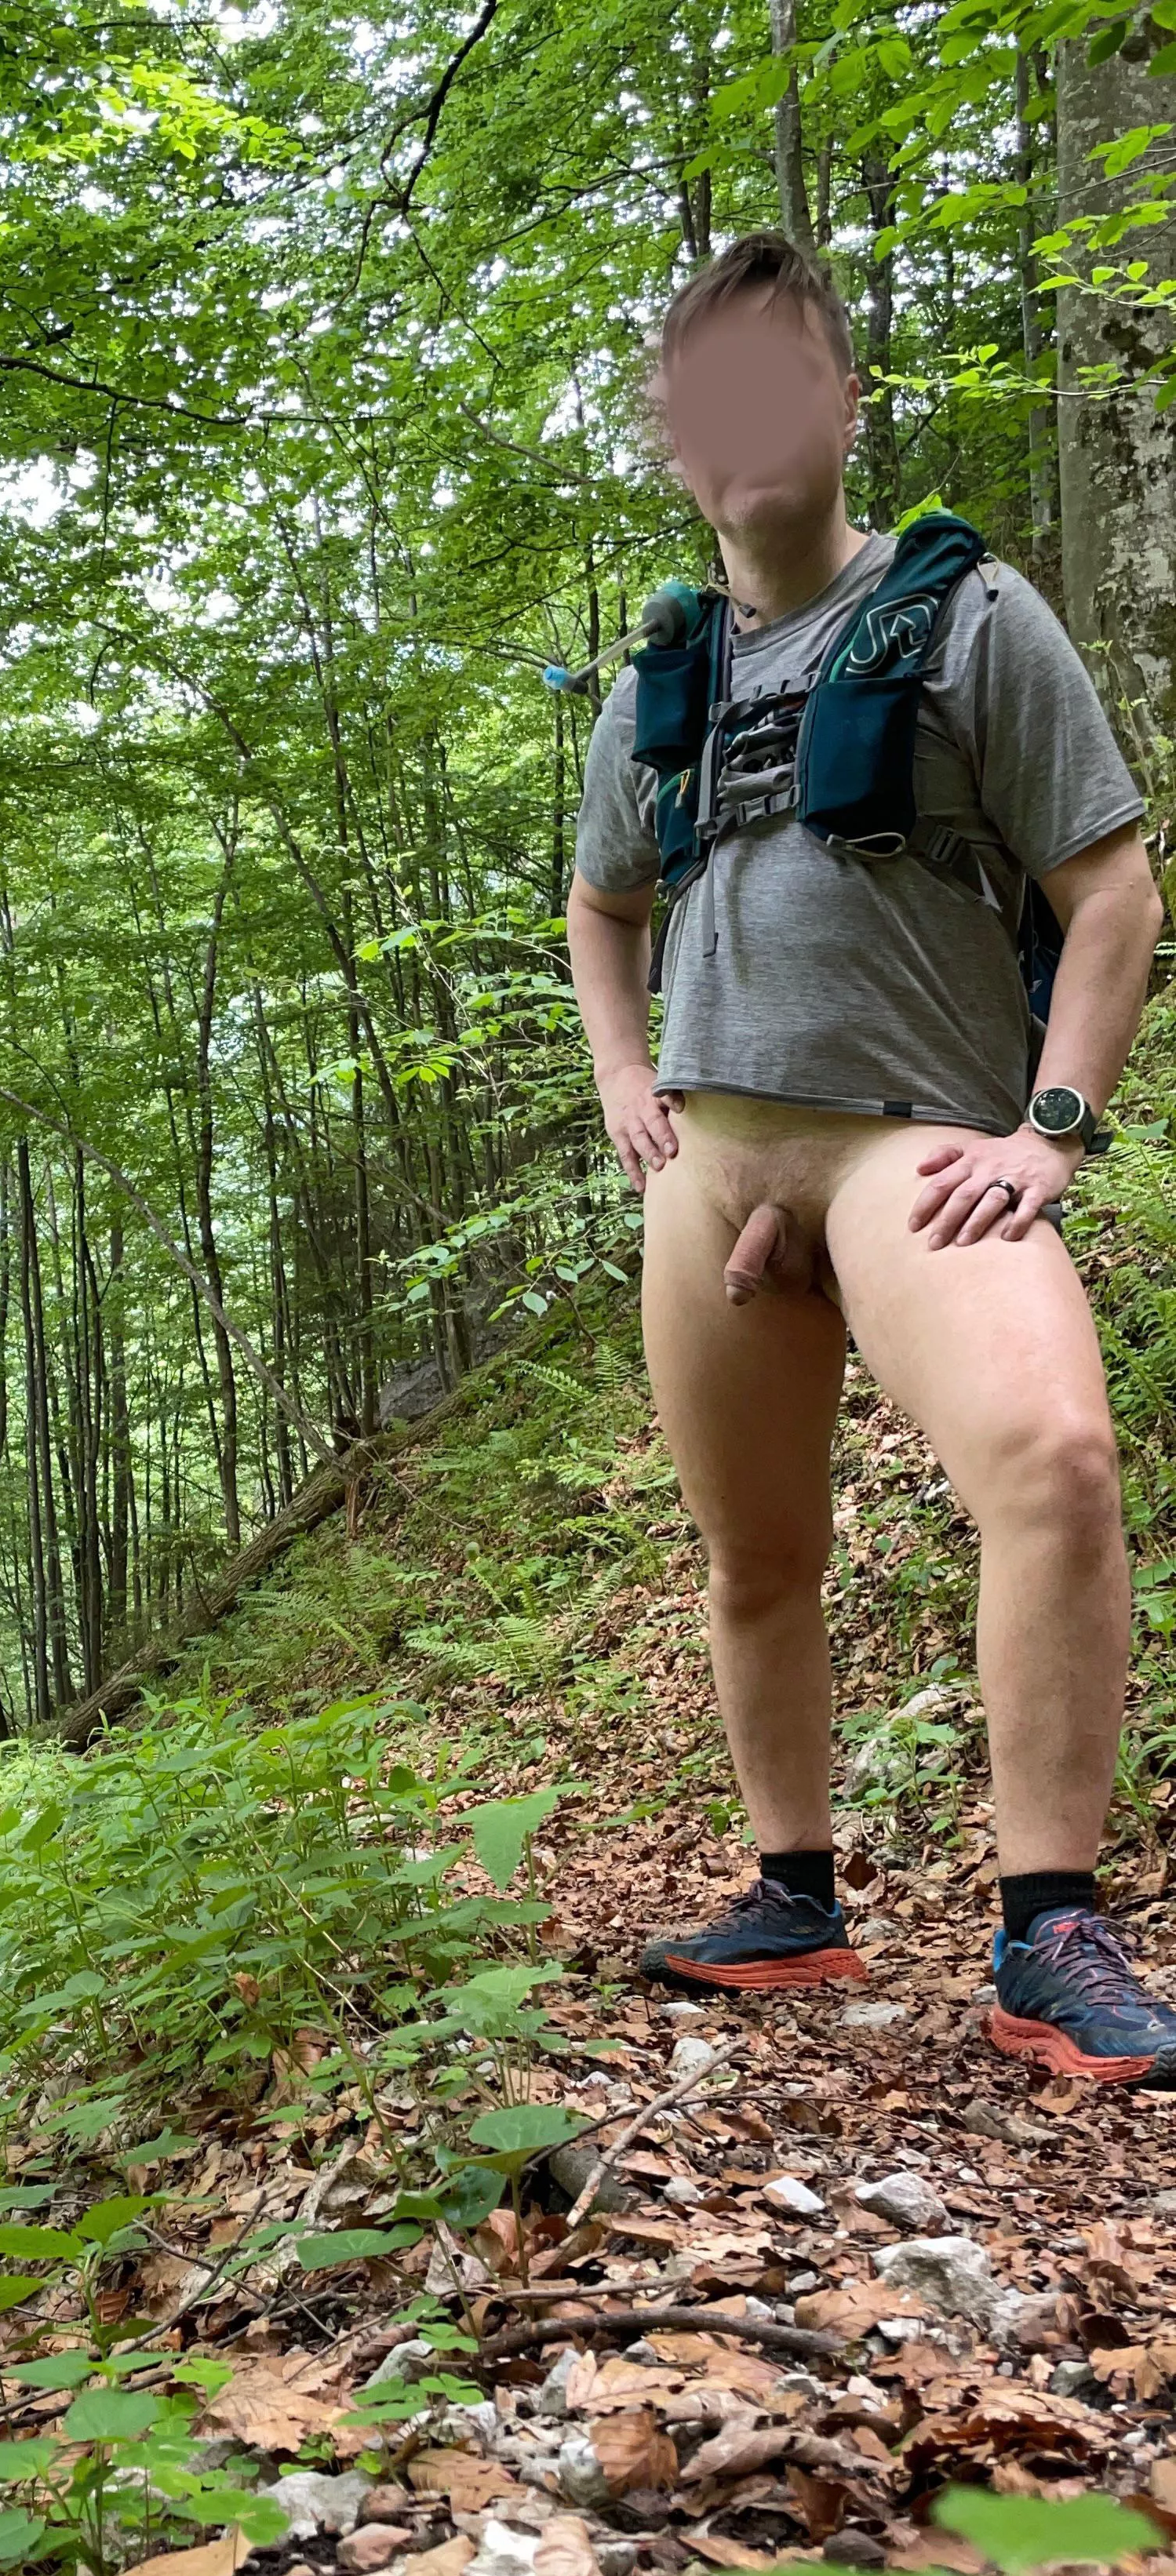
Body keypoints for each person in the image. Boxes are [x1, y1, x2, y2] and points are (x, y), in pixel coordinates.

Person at [566, 227, 1176, 2083]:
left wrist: (1055, 1126)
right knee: (756, 1555)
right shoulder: (654, 684)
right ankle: (793, 1898)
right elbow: (601, 906)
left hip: (916, 1155)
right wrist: (621, 1073)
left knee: (1055, 1466)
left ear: (843, 400)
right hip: (713, 1172)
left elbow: (1112, 890)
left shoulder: (969, 618)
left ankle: (1047, 1925)